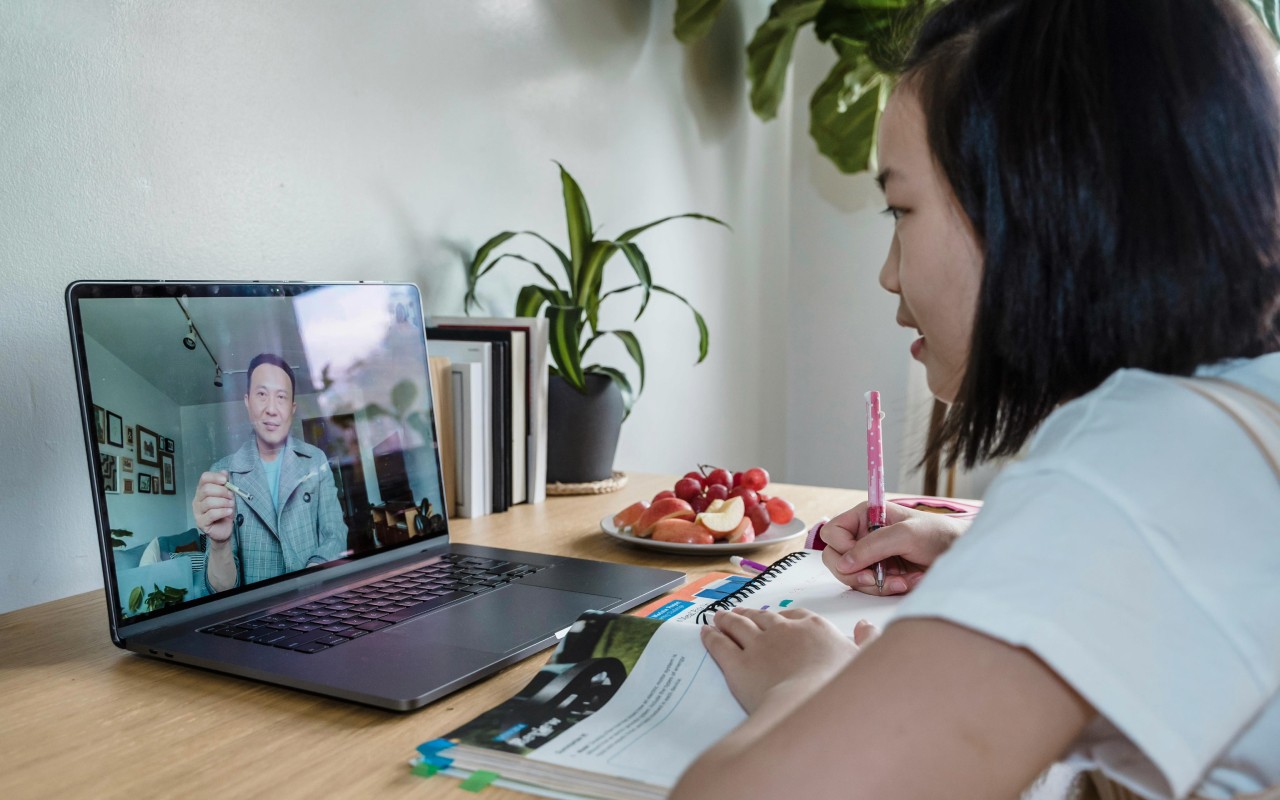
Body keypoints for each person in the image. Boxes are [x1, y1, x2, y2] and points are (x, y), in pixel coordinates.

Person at [672, 0, 1280, 798]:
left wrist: (807, 681)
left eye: (902, 209)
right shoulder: (1233, 413)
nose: (889, 274)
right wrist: (984, 562)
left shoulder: (1154, 455)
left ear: (1040, 208)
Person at [192, 353, 347, 593]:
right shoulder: (223, 476)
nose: (271, 409)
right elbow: (221, 590)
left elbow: (335, 533)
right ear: (247, 401)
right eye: (262, 394)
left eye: (281, 397)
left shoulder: (315, 460)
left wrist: (313, 575)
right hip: (256, 618)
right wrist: (219, 544)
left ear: (293, 408)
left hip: (316, 603)